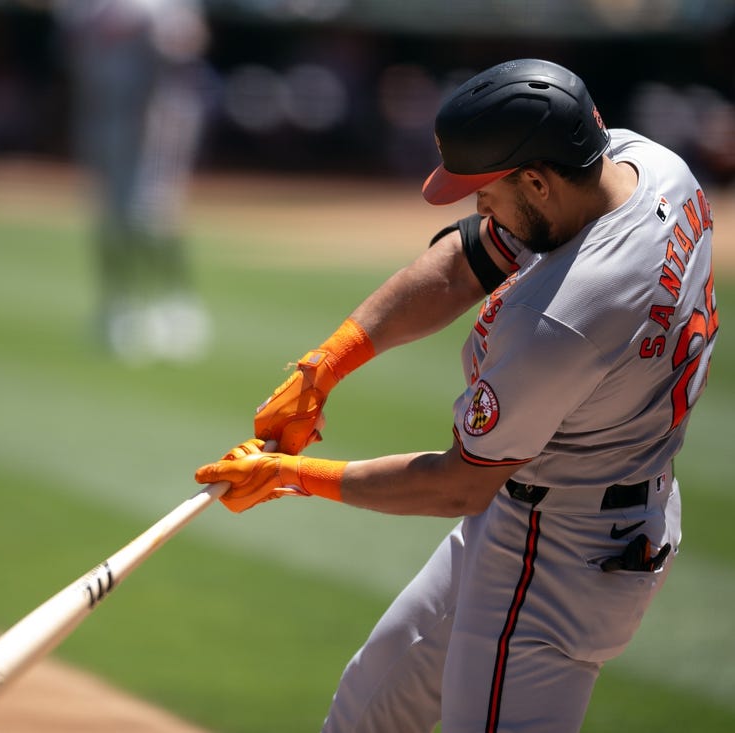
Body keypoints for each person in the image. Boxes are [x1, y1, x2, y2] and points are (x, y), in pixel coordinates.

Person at [195, 58, 718, 732]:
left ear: (536, 181)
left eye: (485, 190)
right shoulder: (647, 166)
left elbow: (456, 486)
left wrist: (289, 476)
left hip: (557, 560)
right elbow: (464, 263)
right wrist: (322, 368)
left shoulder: (560, 321)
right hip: (546, 512)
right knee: (365, 713)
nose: (478, 206)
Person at [55, 0, 211, 364]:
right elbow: (68, 49)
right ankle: (118, 306)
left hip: (157, 117)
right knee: (110, 217)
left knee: (152, 215)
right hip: (102, 116)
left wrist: (156, 36)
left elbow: (189, 42)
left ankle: (175, 305)